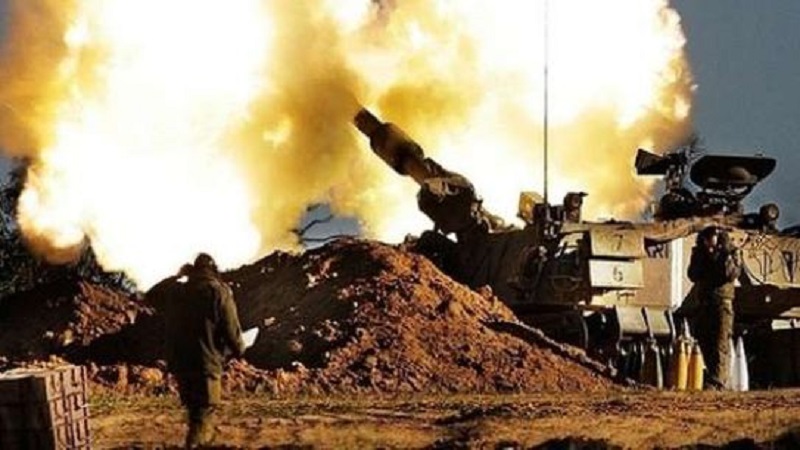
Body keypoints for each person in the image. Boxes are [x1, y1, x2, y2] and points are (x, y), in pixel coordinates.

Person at [163, 253, 246, 448]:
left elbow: (151, 295)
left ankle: (201, 442)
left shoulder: (179, 291)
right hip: (206, 364)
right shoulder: (218, 292)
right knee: (203, 414)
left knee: (195, 413)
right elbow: (231, 328)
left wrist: (176, 276)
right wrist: (239, 349)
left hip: (182, 365)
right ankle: (196, 445)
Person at [687, 227, 741, 389]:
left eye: (711, 238)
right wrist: (702, 255)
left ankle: (718, 380)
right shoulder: (700, 253)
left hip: (722, 302)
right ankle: (712, 374)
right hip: (704, 302)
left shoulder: (730, 253)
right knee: (704, 339)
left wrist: (723, 254)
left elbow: (730, 274)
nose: (708, 242)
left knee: (720, 341)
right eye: (706, 239)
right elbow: (692, 275)